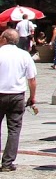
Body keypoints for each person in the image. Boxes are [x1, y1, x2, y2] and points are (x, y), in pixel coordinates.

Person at [0, 29, 37, 171]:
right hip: (17, 95)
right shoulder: (24, 55)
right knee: (14, 129)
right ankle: (7, 162)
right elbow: (32, 79)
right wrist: (32, 97)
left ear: (4, 39)